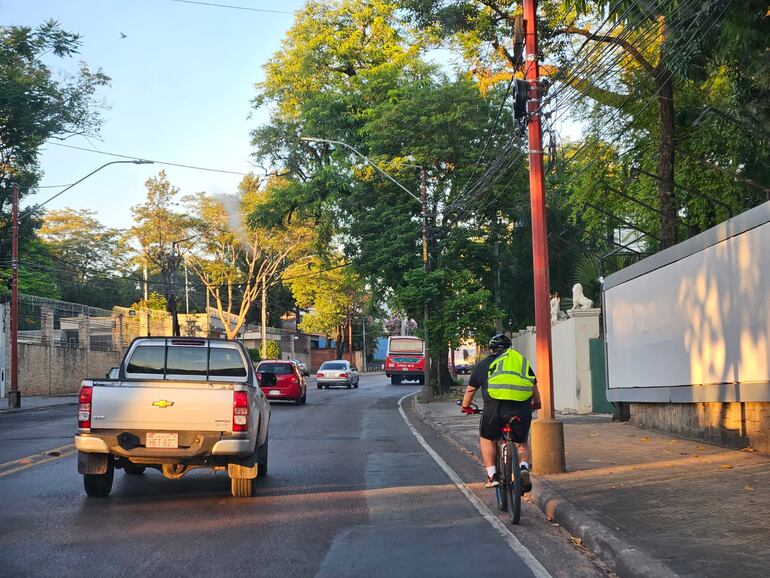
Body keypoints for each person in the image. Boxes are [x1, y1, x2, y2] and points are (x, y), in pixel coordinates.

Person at [460, 334, 541, 490]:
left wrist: (465, 407)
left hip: (495, 409)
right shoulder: (520, 363)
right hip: (521, 409)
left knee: (487, 437)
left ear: (492, 350)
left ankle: (493, 476)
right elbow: (534, 387)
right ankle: (523, 467)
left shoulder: (484, 365)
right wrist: (536, 404)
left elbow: (470, 391)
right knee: (521, 441)